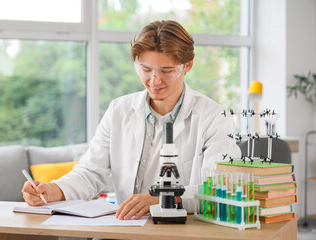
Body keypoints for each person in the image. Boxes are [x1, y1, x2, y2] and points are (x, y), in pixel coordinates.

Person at [22, 20, 240, 220]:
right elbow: (90, 172)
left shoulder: (215, 118)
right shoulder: (119, 110)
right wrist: (53, 191)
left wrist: (165, 198)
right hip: (124, 228)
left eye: (167, 71)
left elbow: (220, 187)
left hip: (181, 229)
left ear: (187, 66)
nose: (154, 80)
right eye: (145, 69)